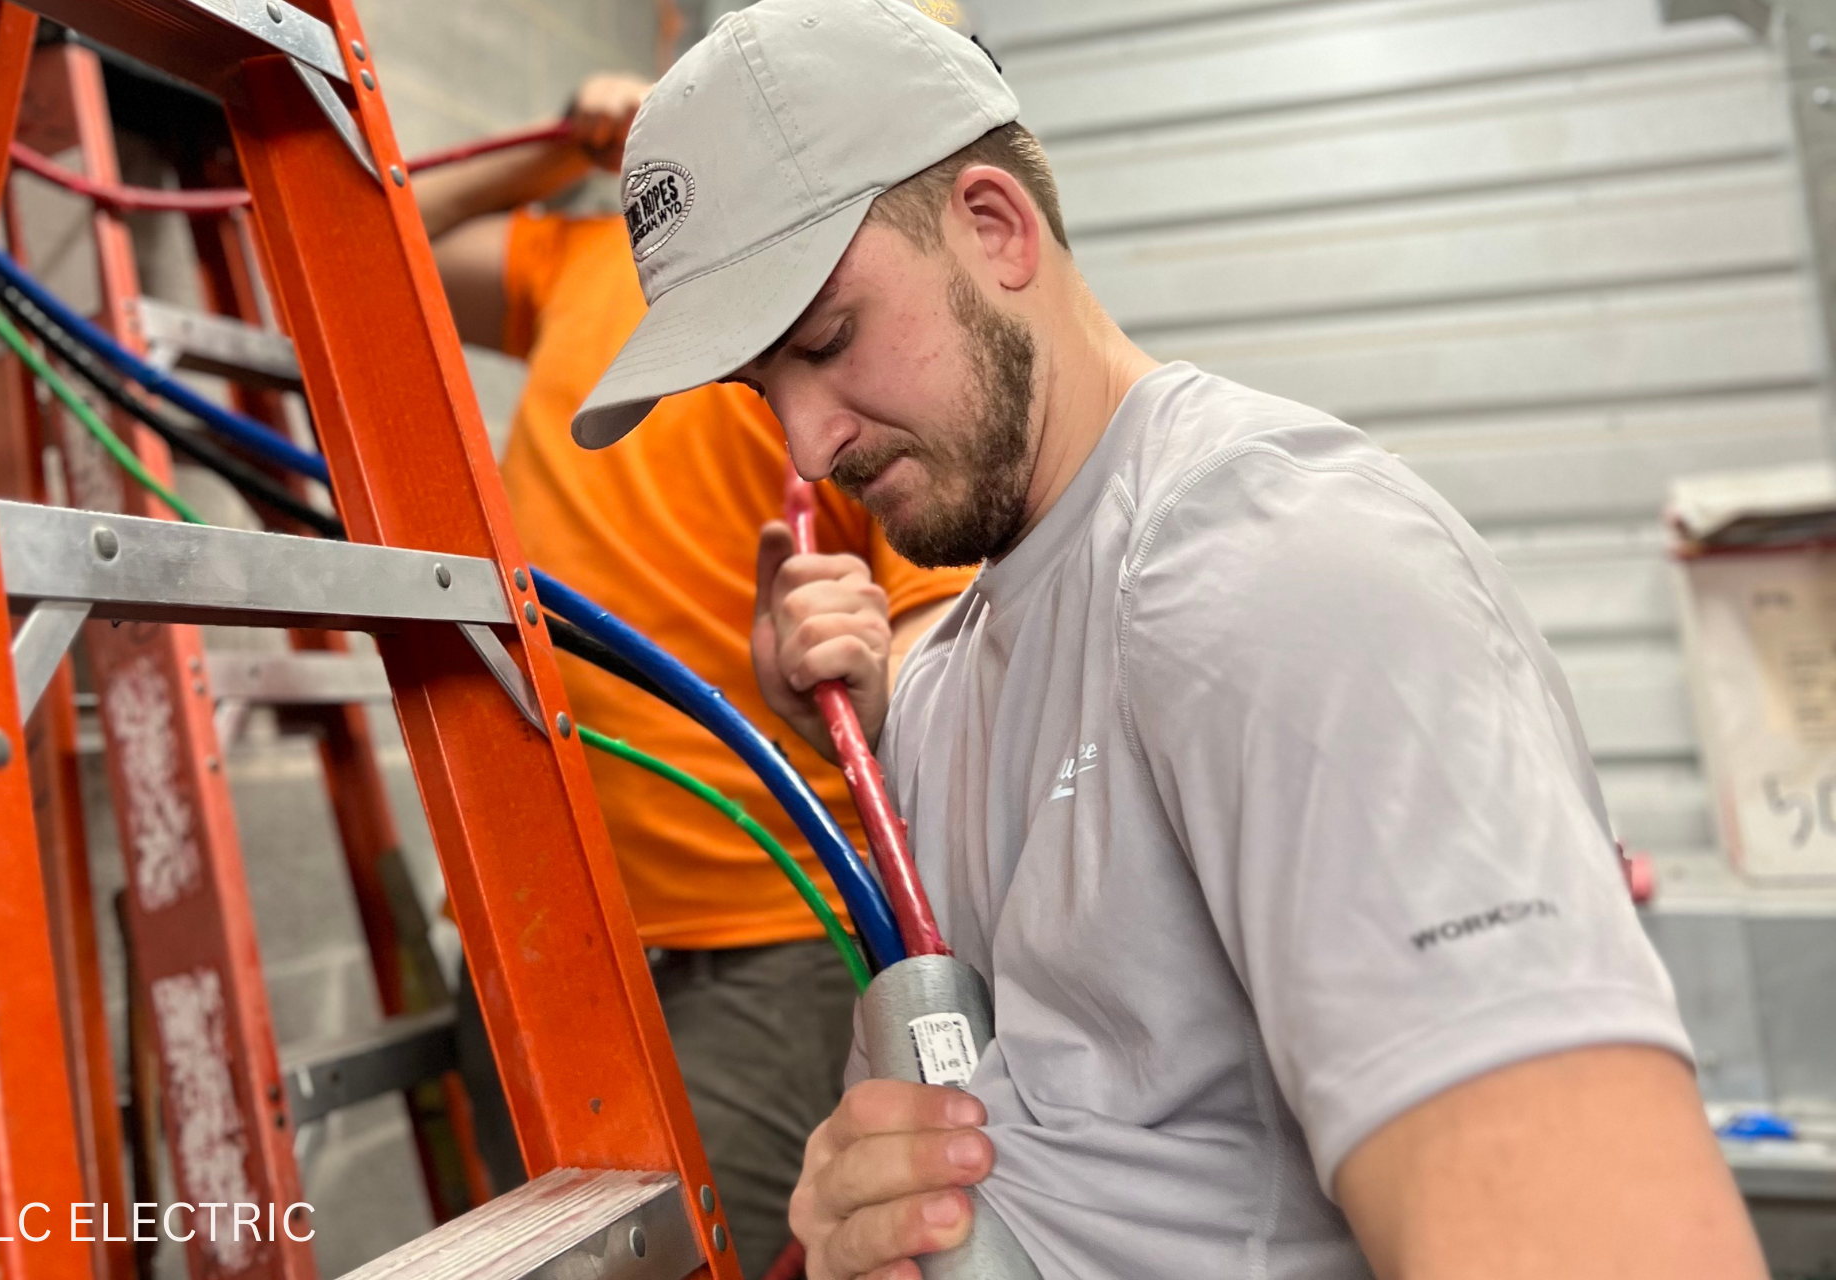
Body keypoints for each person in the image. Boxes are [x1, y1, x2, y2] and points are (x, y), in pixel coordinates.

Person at [566, 2, 1769, 1278]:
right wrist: (860, 1199)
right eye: (767, 387)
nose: (808, 443)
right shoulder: (953, 681)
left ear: (995, 227)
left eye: (826, 341)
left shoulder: (1280, 564)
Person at [411, 72, 973, 1274]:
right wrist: (559, 142)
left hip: (759, 942)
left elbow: (939, 650)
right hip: (535, 928)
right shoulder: (577, 260)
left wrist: (871, 687)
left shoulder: (839, 314)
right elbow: (384, 234)